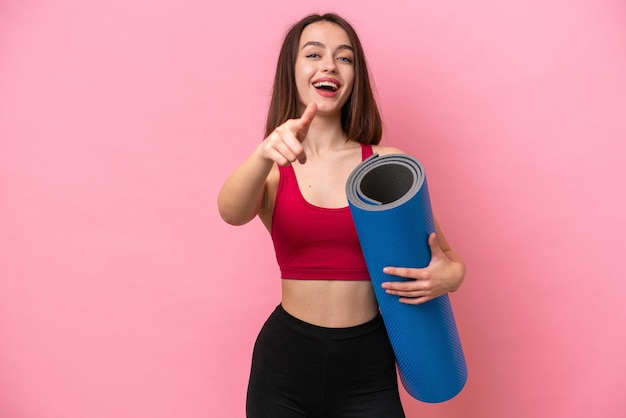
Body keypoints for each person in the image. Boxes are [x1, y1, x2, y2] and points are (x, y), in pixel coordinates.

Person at [217, 13, 466, 418]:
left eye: (344, 58)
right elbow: (230, 212)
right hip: (285, 364)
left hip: (368, 365)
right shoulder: (273, 167)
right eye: (313, 54)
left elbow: (450, 261)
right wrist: (263, 151)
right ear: (291, 71)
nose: (330, 64)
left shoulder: (388, 166)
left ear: (354, 77)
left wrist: (451, 276)